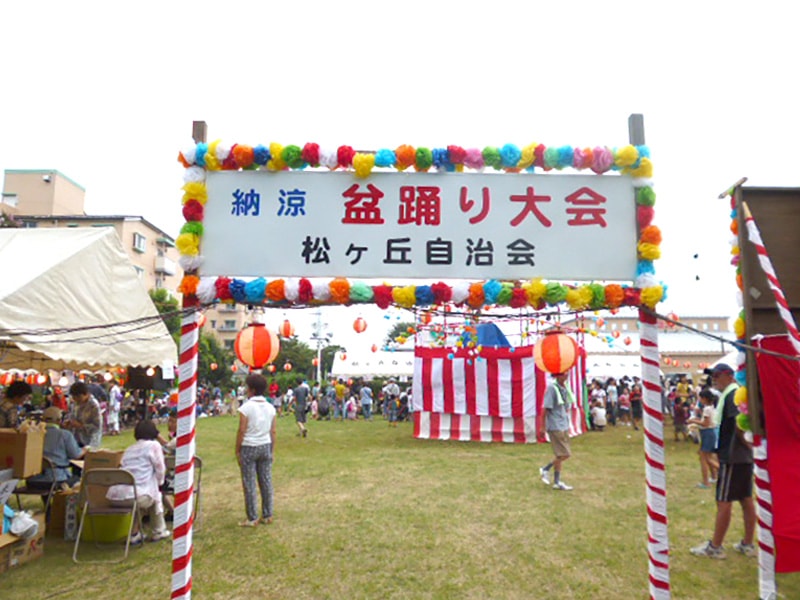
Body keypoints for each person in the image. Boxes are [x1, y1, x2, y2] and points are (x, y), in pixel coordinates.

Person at [691, 363, 756, 559]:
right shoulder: (734, 394)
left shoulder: (732, 395)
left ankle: (716, 546)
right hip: (741, 456)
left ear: (729, 376)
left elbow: (740, 425)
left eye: (717, 375)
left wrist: (747, 446)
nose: (714, 380)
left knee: (724, 500)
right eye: (713, 376)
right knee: (745, 499)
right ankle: (747, 543)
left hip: (733, 455)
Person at [106, 420, 170, 543]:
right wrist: (160, 482)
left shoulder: (129, 449)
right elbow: (160, 468)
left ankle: (134, 533)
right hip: (138, 495)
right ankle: (158, 530)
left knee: (145, 489)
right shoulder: (154, 446)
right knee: (153, 491)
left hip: (115, 496)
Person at [235, 373, 276, 527]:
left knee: (249, 482)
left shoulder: (246, 408)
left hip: (249, 446)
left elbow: (242, 430)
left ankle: (252, 517)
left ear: (251, 389)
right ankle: (268, 514)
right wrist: (272, 450)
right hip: (265, 444)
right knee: (266, 481)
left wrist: (237, 450)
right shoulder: (270, 407)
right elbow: (273, 431)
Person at [27, 407, 86, 489]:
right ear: (59, 420)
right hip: (57, 479)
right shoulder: (65, 435)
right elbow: (76, 455)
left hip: (33, 480)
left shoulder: (33, 435)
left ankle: (47, 501)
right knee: (77, 479)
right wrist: (85, 449)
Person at [538, 371, 575, 491]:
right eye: (564, 373)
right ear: (558, 375)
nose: (567, 375)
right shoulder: (552, 388)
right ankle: (545, 469)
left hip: (563, 423)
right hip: (555, 425)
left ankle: (557, 481)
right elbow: (545, 409)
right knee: (564, 454)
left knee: (559, 454)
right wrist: (542, 426)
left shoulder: (565, 388)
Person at [688, 389, 719, 488]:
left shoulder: (707, 409)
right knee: (708, 457)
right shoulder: (711, 408)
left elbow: (706, 423)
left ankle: (706, 481)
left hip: (707, 433)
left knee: (705, 458)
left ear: (704, 398)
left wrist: (693, 421)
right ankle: (714, 476)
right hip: (710, 433)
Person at [64, 381, 103, 448]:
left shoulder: (93, 405)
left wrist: (80, 426)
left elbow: (97, 427)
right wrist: (69, 422)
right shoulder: (75, 404)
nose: (75, 399)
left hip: (89, 441)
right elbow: (71, 416)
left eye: (78, 397)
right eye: (73, 397)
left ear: (86, 394)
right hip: (76, 440)